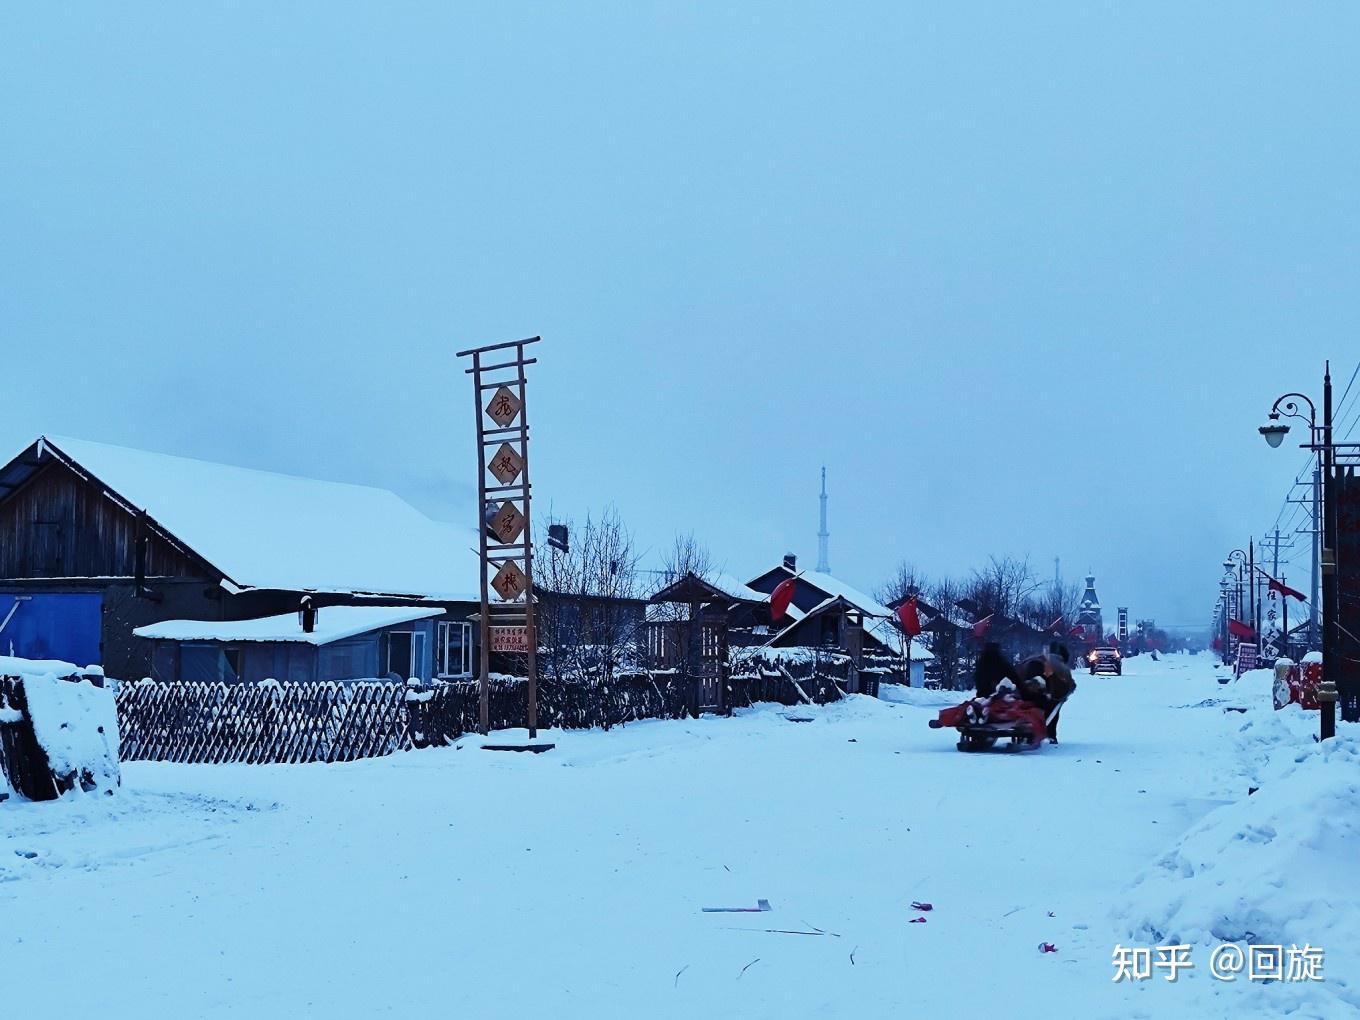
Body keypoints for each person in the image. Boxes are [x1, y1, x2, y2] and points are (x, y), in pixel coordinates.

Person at [1017, 646, 1076, 743]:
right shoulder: (1061, 665)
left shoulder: (1039, 657)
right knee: (1053, 711)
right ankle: (1050, 734)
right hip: (1047, 686)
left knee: (1027, 706)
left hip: (1025, 678)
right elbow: (1067, 684)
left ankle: (1024, 727)